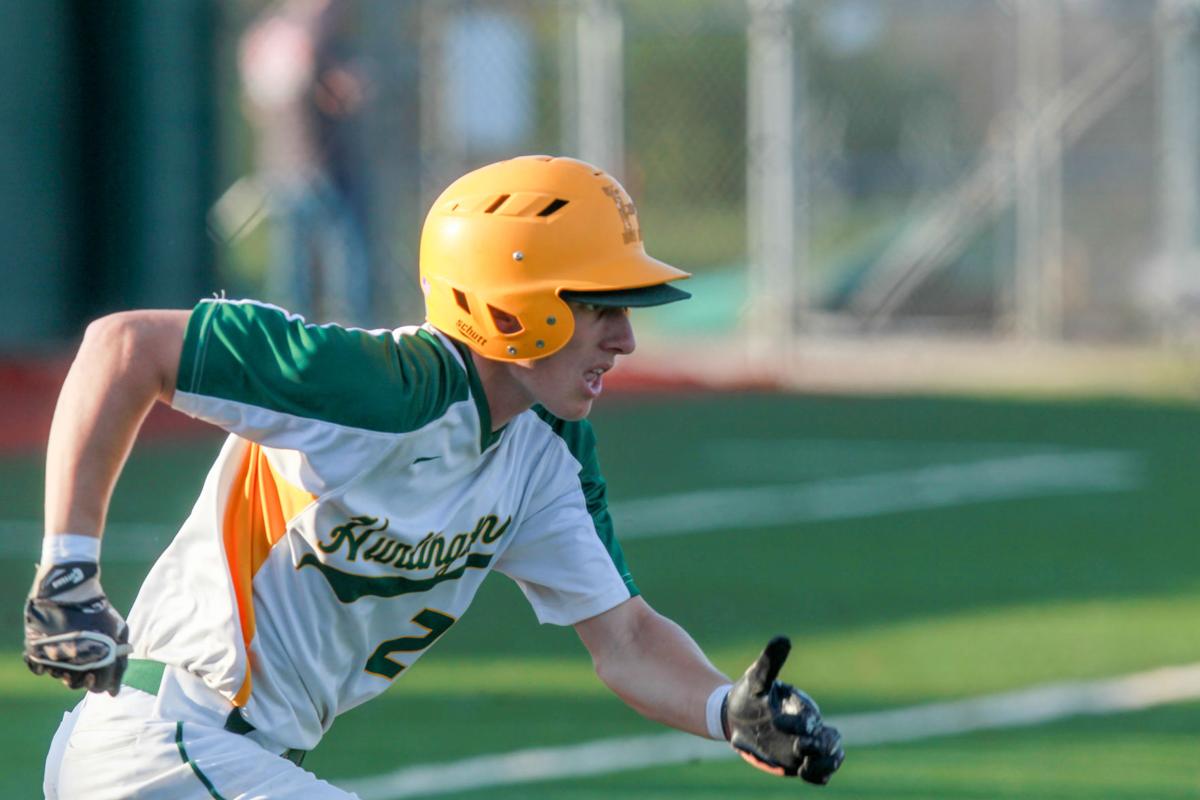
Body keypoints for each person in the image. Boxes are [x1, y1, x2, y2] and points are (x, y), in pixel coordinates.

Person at [24, 156, 844, 798]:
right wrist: (68, 568)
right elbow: (123, 347)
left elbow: (624, 637)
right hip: (161, 747)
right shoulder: (374, 384)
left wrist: (720, 710)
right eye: (601, 306)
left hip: (218, 759)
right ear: (514, 303)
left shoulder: (545, 448)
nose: (625, 339)